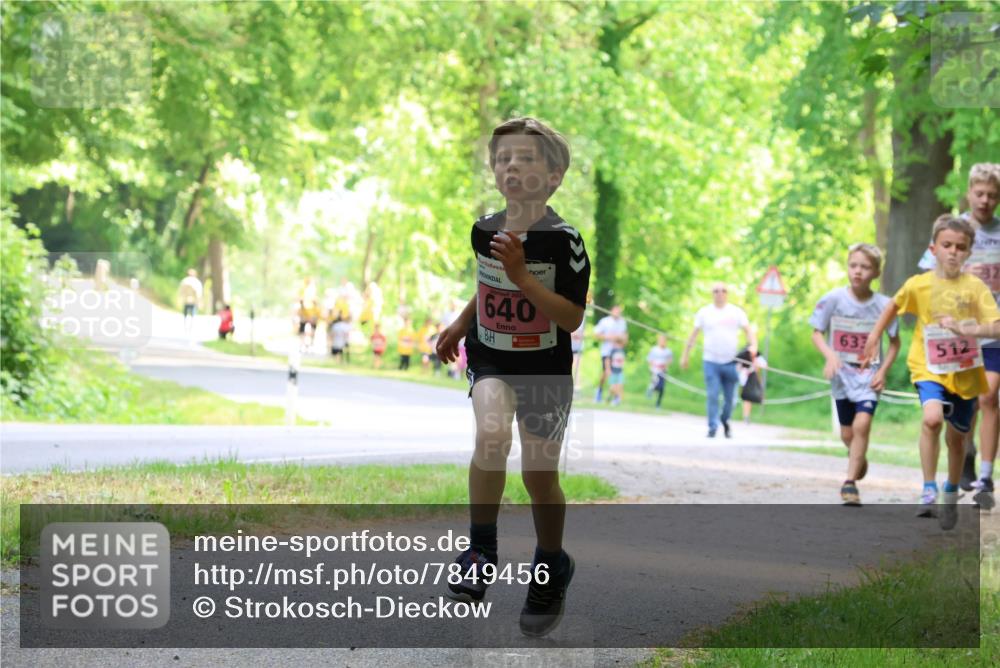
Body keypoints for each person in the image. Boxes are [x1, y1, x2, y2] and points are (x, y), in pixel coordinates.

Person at [434, 117, 589, 637]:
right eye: (503, 159)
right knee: (492, 433)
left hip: (545, 367)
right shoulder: (485, 228)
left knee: (539, 479)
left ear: (554, 175)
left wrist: (525, 276)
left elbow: (570, 318)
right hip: (493, 357)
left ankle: (550, 568)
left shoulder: (564, 241)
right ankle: (481, 550)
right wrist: (459, 324)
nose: (512, 167)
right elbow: (487, 285)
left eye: (525, 158)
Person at [863, 215, 1000, 529]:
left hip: (965, 373)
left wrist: (969, 327)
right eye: (946, 245)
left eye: (960, 247)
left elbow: (996, 325)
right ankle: (928, 488)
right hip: (928, 367)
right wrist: (874, 336)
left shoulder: (976, 287)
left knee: (957, 439)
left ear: (969, 253)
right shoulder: (919, 284)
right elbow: (892, 306)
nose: (953, 252)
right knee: (932, 418)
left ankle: (950, 491)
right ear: (933, 249)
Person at [917, 163, 1000, 506]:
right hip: (955, 335)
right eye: (979, 193)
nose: (985, 200)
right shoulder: (955, 230)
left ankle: (984, 475)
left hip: (992, 330)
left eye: (992, 195)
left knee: (989, 396)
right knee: (965, 402)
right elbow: (926, 270)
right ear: (968, 192)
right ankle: (964, 450)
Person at [810, 243, 901, 506]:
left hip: (868, 376)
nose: (858, 271)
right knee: (847, 435)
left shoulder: (885, 305)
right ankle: (857, 457)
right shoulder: (833, 299)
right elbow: (817, 332)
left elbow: (894, 342)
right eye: (854, 266)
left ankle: (849, 484)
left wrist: (883, 370)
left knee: (862, 425)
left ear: (876, 272)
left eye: (865, 267)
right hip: (841, 377)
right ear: (847, 267)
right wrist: (830, 355)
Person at [680, 282, 758, 438]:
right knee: (713, 394)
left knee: (731, 399)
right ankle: (712, 426)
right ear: (712, 293)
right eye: (716, 291)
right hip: (711, 361)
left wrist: (754, 348)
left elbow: (748, 332)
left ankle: (725, 419)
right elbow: (694, 335)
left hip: (731, 362)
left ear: (727, 293)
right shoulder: (704, 312)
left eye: (723, 290)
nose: (720, 293)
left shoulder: (736, 312)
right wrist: (685, 355)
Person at [593, 305, 628, 402]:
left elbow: (625, 339)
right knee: (606, 373)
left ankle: (614, 396)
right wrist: (608, 337)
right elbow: (596, 334)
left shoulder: (622, 322)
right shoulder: (605, 321)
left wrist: (619, 338)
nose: (617, 313)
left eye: (619, 312)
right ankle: (600, 390)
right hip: (607, 352)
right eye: (616, 311)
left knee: (616, 374)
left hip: (617, 353)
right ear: (611, 311)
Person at [735, 345, 766, 424]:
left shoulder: (758, 357)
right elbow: (737, 367)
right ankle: (745, 416)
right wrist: (744, 369)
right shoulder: (742, 356)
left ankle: (746, 416)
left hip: (753, 380)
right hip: (744, 380)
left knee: (748, 399)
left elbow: (765, 365)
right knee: (746, 398)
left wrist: (756, 364)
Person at [646, 334, 673, 409]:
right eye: (661, 340)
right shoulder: (654, 349)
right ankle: (650, 389)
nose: (663, 342)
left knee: (661, 388)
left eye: (664, 340)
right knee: (656, 384)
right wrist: (654, 366)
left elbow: (670, 360)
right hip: (654, 371)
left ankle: (658, 403)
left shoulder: (668, 351)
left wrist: (665, 365)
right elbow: (649, 359)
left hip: (663, 371)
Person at [178, 269, 203, 336]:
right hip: (193, 301)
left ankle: (185, 327)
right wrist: (199, 302)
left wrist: (181, 298)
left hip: (186, 300)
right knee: (192, 315)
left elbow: (181, 291)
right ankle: (190, 328)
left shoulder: (184, 281)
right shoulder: (197, 282)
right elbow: (199, 293)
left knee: (185, 315)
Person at [570, 319, 585, 390]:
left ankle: (577, 386)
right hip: (569, 347)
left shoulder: (581, 319)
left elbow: (580, 334)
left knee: (577, 367)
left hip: (578, 347)